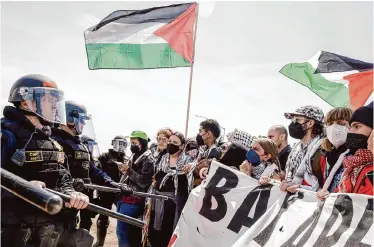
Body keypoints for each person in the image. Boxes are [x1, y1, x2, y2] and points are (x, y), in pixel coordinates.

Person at [1, 74, 92, 247]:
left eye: (55, 100)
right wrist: (22, 188)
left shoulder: (52, 140)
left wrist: (72, 193)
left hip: (50, 231)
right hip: (13, 232)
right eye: (47, 99)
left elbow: (63, 175)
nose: (54, 105)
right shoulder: (6, 134)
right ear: (25, 102)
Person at [51, 101, 116, 231]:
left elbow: (92, 169)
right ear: (70, 119)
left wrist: (112, 183)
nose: (84, 124)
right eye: (82, 120)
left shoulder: (80, 145)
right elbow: (51, 174)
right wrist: (71, 183)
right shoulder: (54, 141)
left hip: (75, 203)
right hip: (57, 204)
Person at [148, 131, 193, 247]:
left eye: (175, 142)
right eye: (170, 141)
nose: (171, 144)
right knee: (154, 234)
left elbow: (188, 184)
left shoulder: (187, 160)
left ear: (181, 146)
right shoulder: (162, 158)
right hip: (157, 202)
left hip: (174, 205)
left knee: (168, 234)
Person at [117, 130, 155, 247]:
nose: (132, 145)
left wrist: (128, 170)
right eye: (131, 143)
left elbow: (143, 182)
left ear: (142, 143)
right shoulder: (134, 156)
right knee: (126, 233)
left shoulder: (148, 159)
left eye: (134, 143)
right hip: (124, 197)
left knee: (122, 233)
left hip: (134, 200)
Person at [327, 102, 373, 196]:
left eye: (357, 126)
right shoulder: (353, 164)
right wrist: (328, 196)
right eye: (351, 127)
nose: (350, 132)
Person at [92, 135, 129, 247]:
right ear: (113, 143)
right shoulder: (104, 157)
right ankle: (99, 243)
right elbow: (96, 172)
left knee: (123, 218)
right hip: (106, 192)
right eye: (119, 143)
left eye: (124, 144)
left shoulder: (126, 158)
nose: (121, 146)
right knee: (103, 218)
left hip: (121, 192)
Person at [281, 105, 325, 193]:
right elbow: (289, 177)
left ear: (310, 123)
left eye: (297, 120)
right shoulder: (296, 149)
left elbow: (325, 188)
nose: (293, 123)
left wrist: (300, 188)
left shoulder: (322, 150)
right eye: (292, 120)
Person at [315, 107, 352, 200]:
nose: (334, 128)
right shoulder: (325, 155)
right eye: (330, 124)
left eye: (341, 123)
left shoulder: (356, 156)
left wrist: (332, 195)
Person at [183, 119, 221, 185]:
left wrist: (192, 167)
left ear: (208, 134)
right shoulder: (203, 150)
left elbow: (207, 172)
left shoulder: (216, 152)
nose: (199, 134)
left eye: (200, 131)